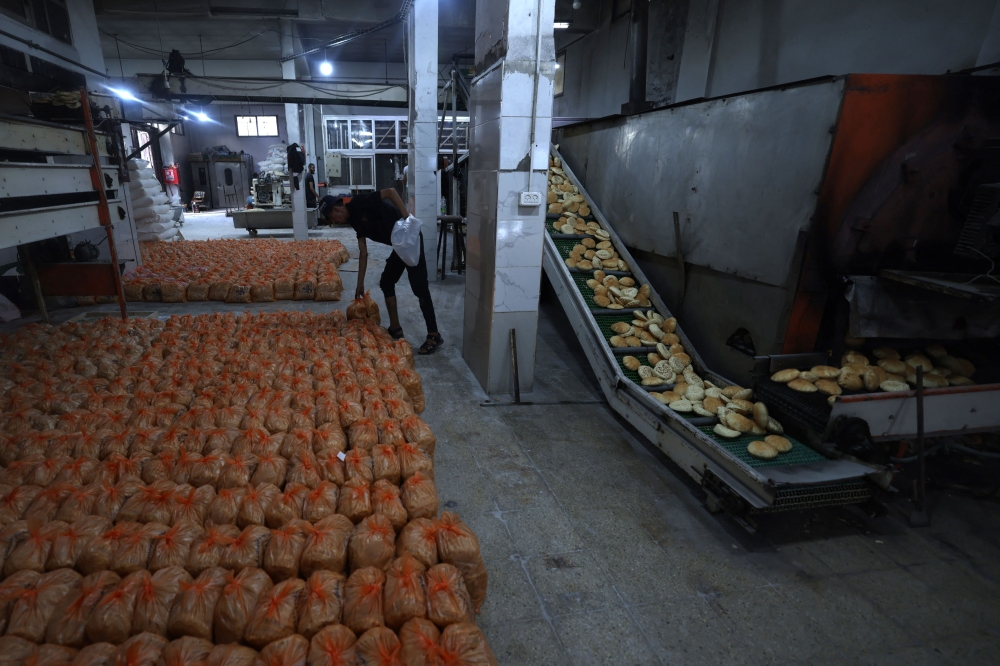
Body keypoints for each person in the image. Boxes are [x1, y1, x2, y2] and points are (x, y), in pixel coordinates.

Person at [318, 190, 443, 354]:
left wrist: (407, 219)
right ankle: (395, 328)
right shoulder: (354, 221)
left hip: (410, 240)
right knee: (386, 282)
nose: (335, 222)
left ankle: (434, 334)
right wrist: (360, 283)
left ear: (336, 210)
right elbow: (363, 253)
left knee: (419, 288)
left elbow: (390, 192)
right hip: (399, 245)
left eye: (333, 219)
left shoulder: (359, 202)